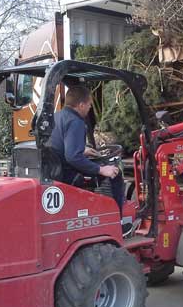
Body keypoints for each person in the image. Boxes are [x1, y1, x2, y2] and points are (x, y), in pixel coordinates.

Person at [48, 85, 125, 214]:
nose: (90, 108)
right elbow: (73, 157)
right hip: (67, 174)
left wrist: (82, 150)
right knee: (115, 173)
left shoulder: (57, 117)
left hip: (54, 169)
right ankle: (117, 218)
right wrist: (101, 169)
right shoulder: (75, 121)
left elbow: (59, 144)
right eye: (89, 104)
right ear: (81, 105)